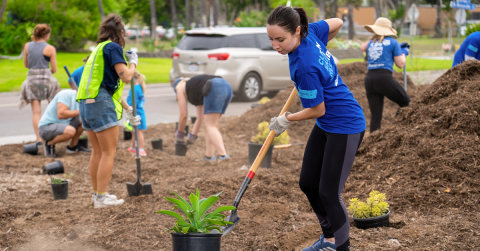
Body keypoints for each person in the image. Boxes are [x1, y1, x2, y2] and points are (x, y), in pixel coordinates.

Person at [267, 6, 366, 251]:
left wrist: (286, 119)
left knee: (329, 193)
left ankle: (341, 248)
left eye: (281, 39)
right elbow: (337, 22)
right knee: (308, 183)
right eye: (271, 39)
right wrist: (321, 47)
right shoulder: (311, 35)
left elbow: (316, 110)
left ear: (297, 31)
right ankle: (329, 239)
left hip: (345, 125)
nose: (275, 45)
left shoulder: (305, 67)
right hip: (327, 125)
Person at [76, 14, 141, 209]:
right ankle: (102, 197)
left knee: (97, 151)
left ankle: (97, 195)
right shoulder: (112, 47)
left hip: (86, 104)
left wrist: (128, 110)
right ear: (119, 32)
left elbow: (104, 86)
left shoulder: (97, 50)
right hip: (101, 104)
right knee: (108, 152)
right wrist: (133, 62)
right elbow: (127, 77)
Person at [360, 17, 410, 133]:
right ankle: (395, 131)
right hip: (383, 78)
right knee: (406, 102)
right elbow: (400, 64)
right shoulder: (393, 42)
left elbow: (363, 47)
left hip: (369, 79)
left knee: (376, 116)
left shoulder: (370, 43)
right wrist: (403, 52)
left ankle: (373, 144)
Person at [173, 75, 233, 161]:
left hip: (214, 86)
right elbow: (200, 118)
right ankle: (209, 156)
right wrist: (193, 136)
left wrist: (180, 135)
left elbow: (183, 116)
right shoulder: (196, 87)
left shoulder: (180, 89)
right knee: (211, 125)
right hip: (226, 86)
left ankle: (223, 156)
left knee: (210, 125)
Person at [20, 24, 61, 145]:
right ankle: (52, 135)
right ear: (47, 35)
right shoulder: (50, 48)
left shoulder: (27, 46)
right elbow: (54, 69)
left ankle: (38, 138)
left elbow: (26, 65)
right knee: (52, 107)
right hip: (46, 80)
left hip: (32, 80)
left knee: (36, 112)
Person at [39, 84, 91, 157]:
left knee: (83, 119)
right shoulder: (66, 94)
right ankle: (50, 144)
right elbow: (61, 114)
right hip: (47, 127)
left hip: (65, 124)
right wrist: (81, 111)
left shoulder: (84, 99)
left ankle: (73, 147)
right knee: (71, 131)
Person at [127, 70, 147, 156]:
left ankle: (141, 149)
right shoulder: (138, 87)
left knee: (138, 131)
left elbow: (132, 103)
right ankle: (133, 148)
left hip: (136, 113)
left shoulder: (134, 89)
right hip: (137, 112)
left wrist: (129, 111)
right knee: (134, 131)